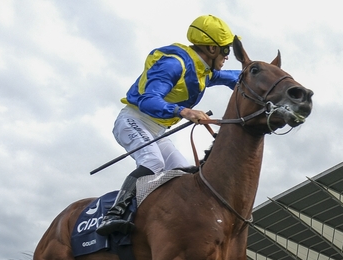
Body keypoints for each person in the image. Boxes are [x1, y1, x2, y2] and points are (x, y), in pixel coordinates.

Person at [97, 14, 242, 236]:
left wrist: (265, 76)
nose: (227, 56)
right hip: (133, 120)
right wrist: (183, 111)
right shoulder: (174, 64)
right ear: (212, 49)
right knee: (152, 161)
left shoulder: (202, 70)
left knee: (183, 174)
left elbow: (232, 77)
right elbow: (149, 99)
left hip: (157, 130)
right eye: (225, 50)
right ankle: (113, 215)